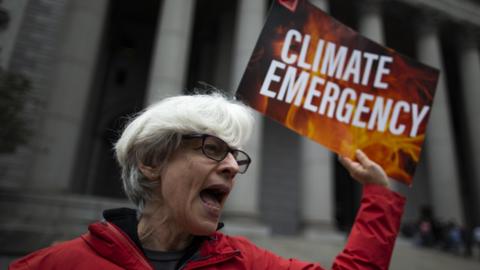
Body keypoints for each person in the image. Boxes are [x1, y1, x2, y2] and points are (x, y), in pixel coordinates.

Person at [9, 93, 405, 270]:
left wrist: (378, 193)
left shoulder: (249, 265)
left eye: (236, 156)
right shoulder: (53, 266)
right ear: (151, 161)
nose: (233, 167)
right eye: (213, 149)